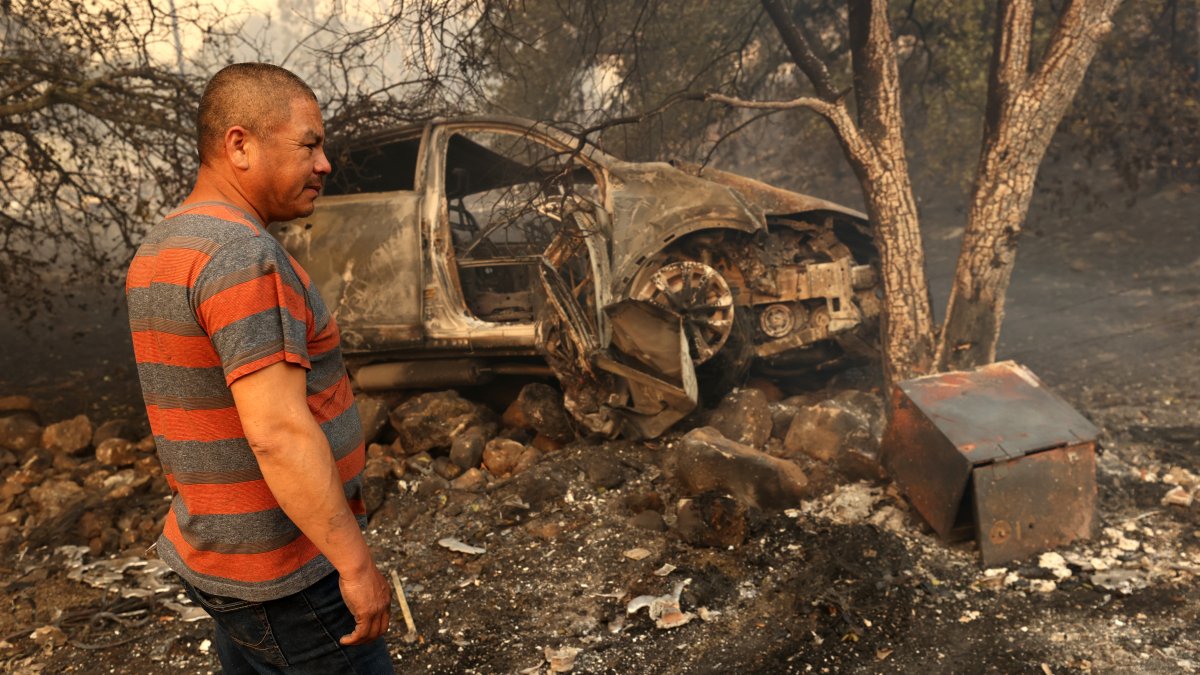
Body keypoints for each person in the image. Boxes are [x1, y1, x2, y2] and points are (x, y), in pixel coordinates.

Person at [126, 63, 393, 673]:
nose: (325, 163)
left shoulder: (163, 245)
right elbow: (278, 433)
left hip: (222, 562)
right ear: (240, 145)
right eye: (310, 144)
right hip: (290, 576)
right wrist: (355, 567)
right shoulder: (243, 256)